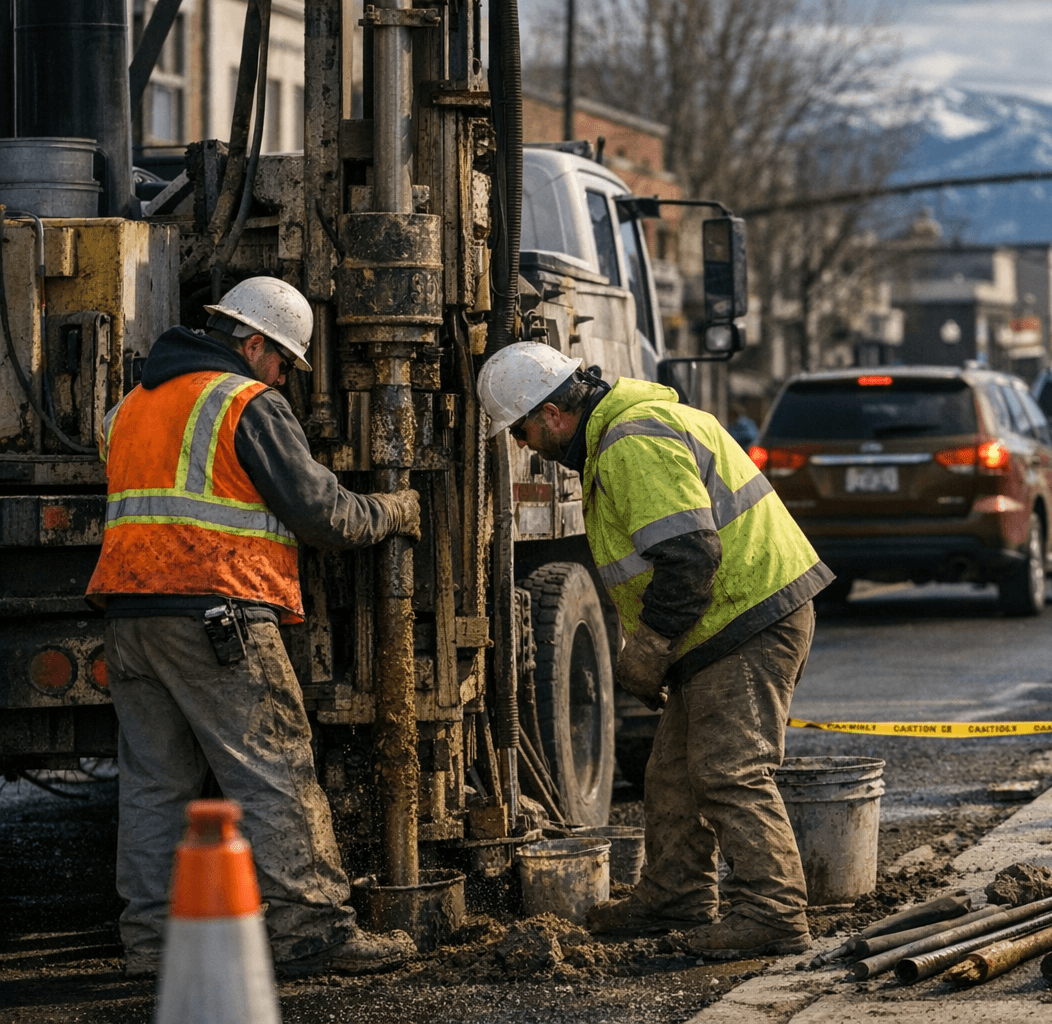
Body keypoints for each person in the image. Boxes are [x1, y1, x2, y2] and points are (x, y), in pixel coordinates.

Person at [87, 277, 422, 978]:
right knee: (273, 769)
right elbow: (322, 513)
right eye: (283, 363)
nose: (284, 379)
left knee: (153, 786)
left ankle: (152, 943)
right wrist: (391, 511)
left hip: (130, 619)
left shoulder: (130, 406)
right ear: (253, 344)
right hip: (217, 614)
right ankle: (312, 929)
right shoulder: (242, 401)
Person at [477, 342, 834, 960]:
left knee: (730, 771)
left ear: (553, 414)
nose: (526, 446)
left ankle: (773, 912)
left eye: (523, 431)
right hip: (722, 619)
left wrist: (651, 645)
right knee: (671, 774)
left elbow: (690, 556)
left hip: (745, 616)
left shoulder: (630, 441)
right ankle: (675, 896)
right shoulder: (624, 431)